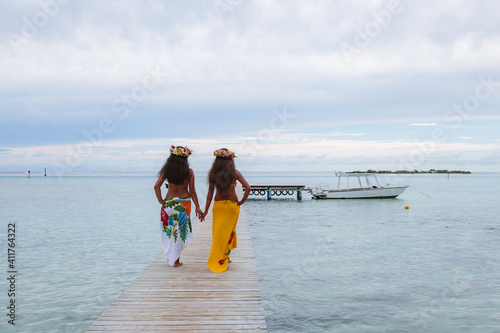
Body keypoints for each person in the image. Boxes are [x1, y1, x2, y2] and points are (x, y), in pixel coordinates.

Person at [201, 148, 250, 273]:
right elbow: (248, 188)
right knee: (229, 232)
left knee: (218, 234)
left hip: (218, 206)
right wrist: (242, 202)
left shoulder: (213, 173)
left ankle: (221, 257)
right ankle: (226, 257)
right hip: (232, 206)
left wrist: (205, 211)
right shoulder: (235, 173)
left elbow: (209, 195)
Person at [154, 145, 202, 267]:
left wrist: (161, 201)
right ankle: (175, 260)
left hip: (169, 203)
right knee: (180, 232)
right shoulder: (189, 172)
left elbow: (156, 186)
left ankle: (171, 256)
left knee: (169, 231)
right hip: (183, 204)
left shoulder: (167, 171)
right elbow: (193, 191)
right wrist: (197, 206)